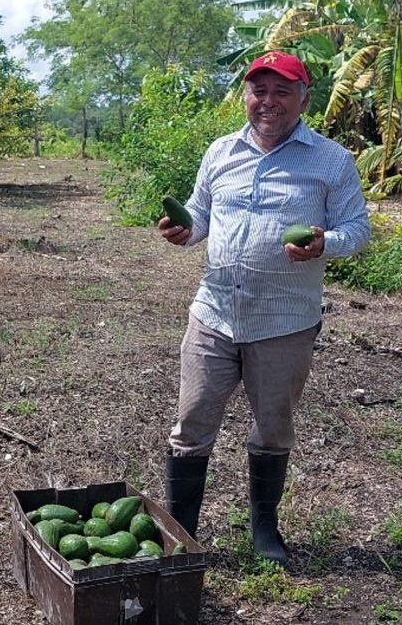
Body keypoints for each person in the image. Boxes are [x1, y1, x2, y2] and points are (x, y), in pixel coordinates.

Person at [156, 51, 370, 567]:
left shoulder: (331, 160)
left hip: (285, 322)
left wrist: (325, 243)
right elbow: (202, 214)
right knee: (190, 424)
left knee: (273, 426)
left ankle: (264, 529)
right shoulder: (220, 151)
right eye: (259, 90)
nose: (268, 102)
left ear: (303, 98)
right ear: (245, 95)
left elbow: (357, 230)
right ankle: (180, 532)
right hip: (214, 314)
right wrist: (185, 231)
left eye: (281, 91)